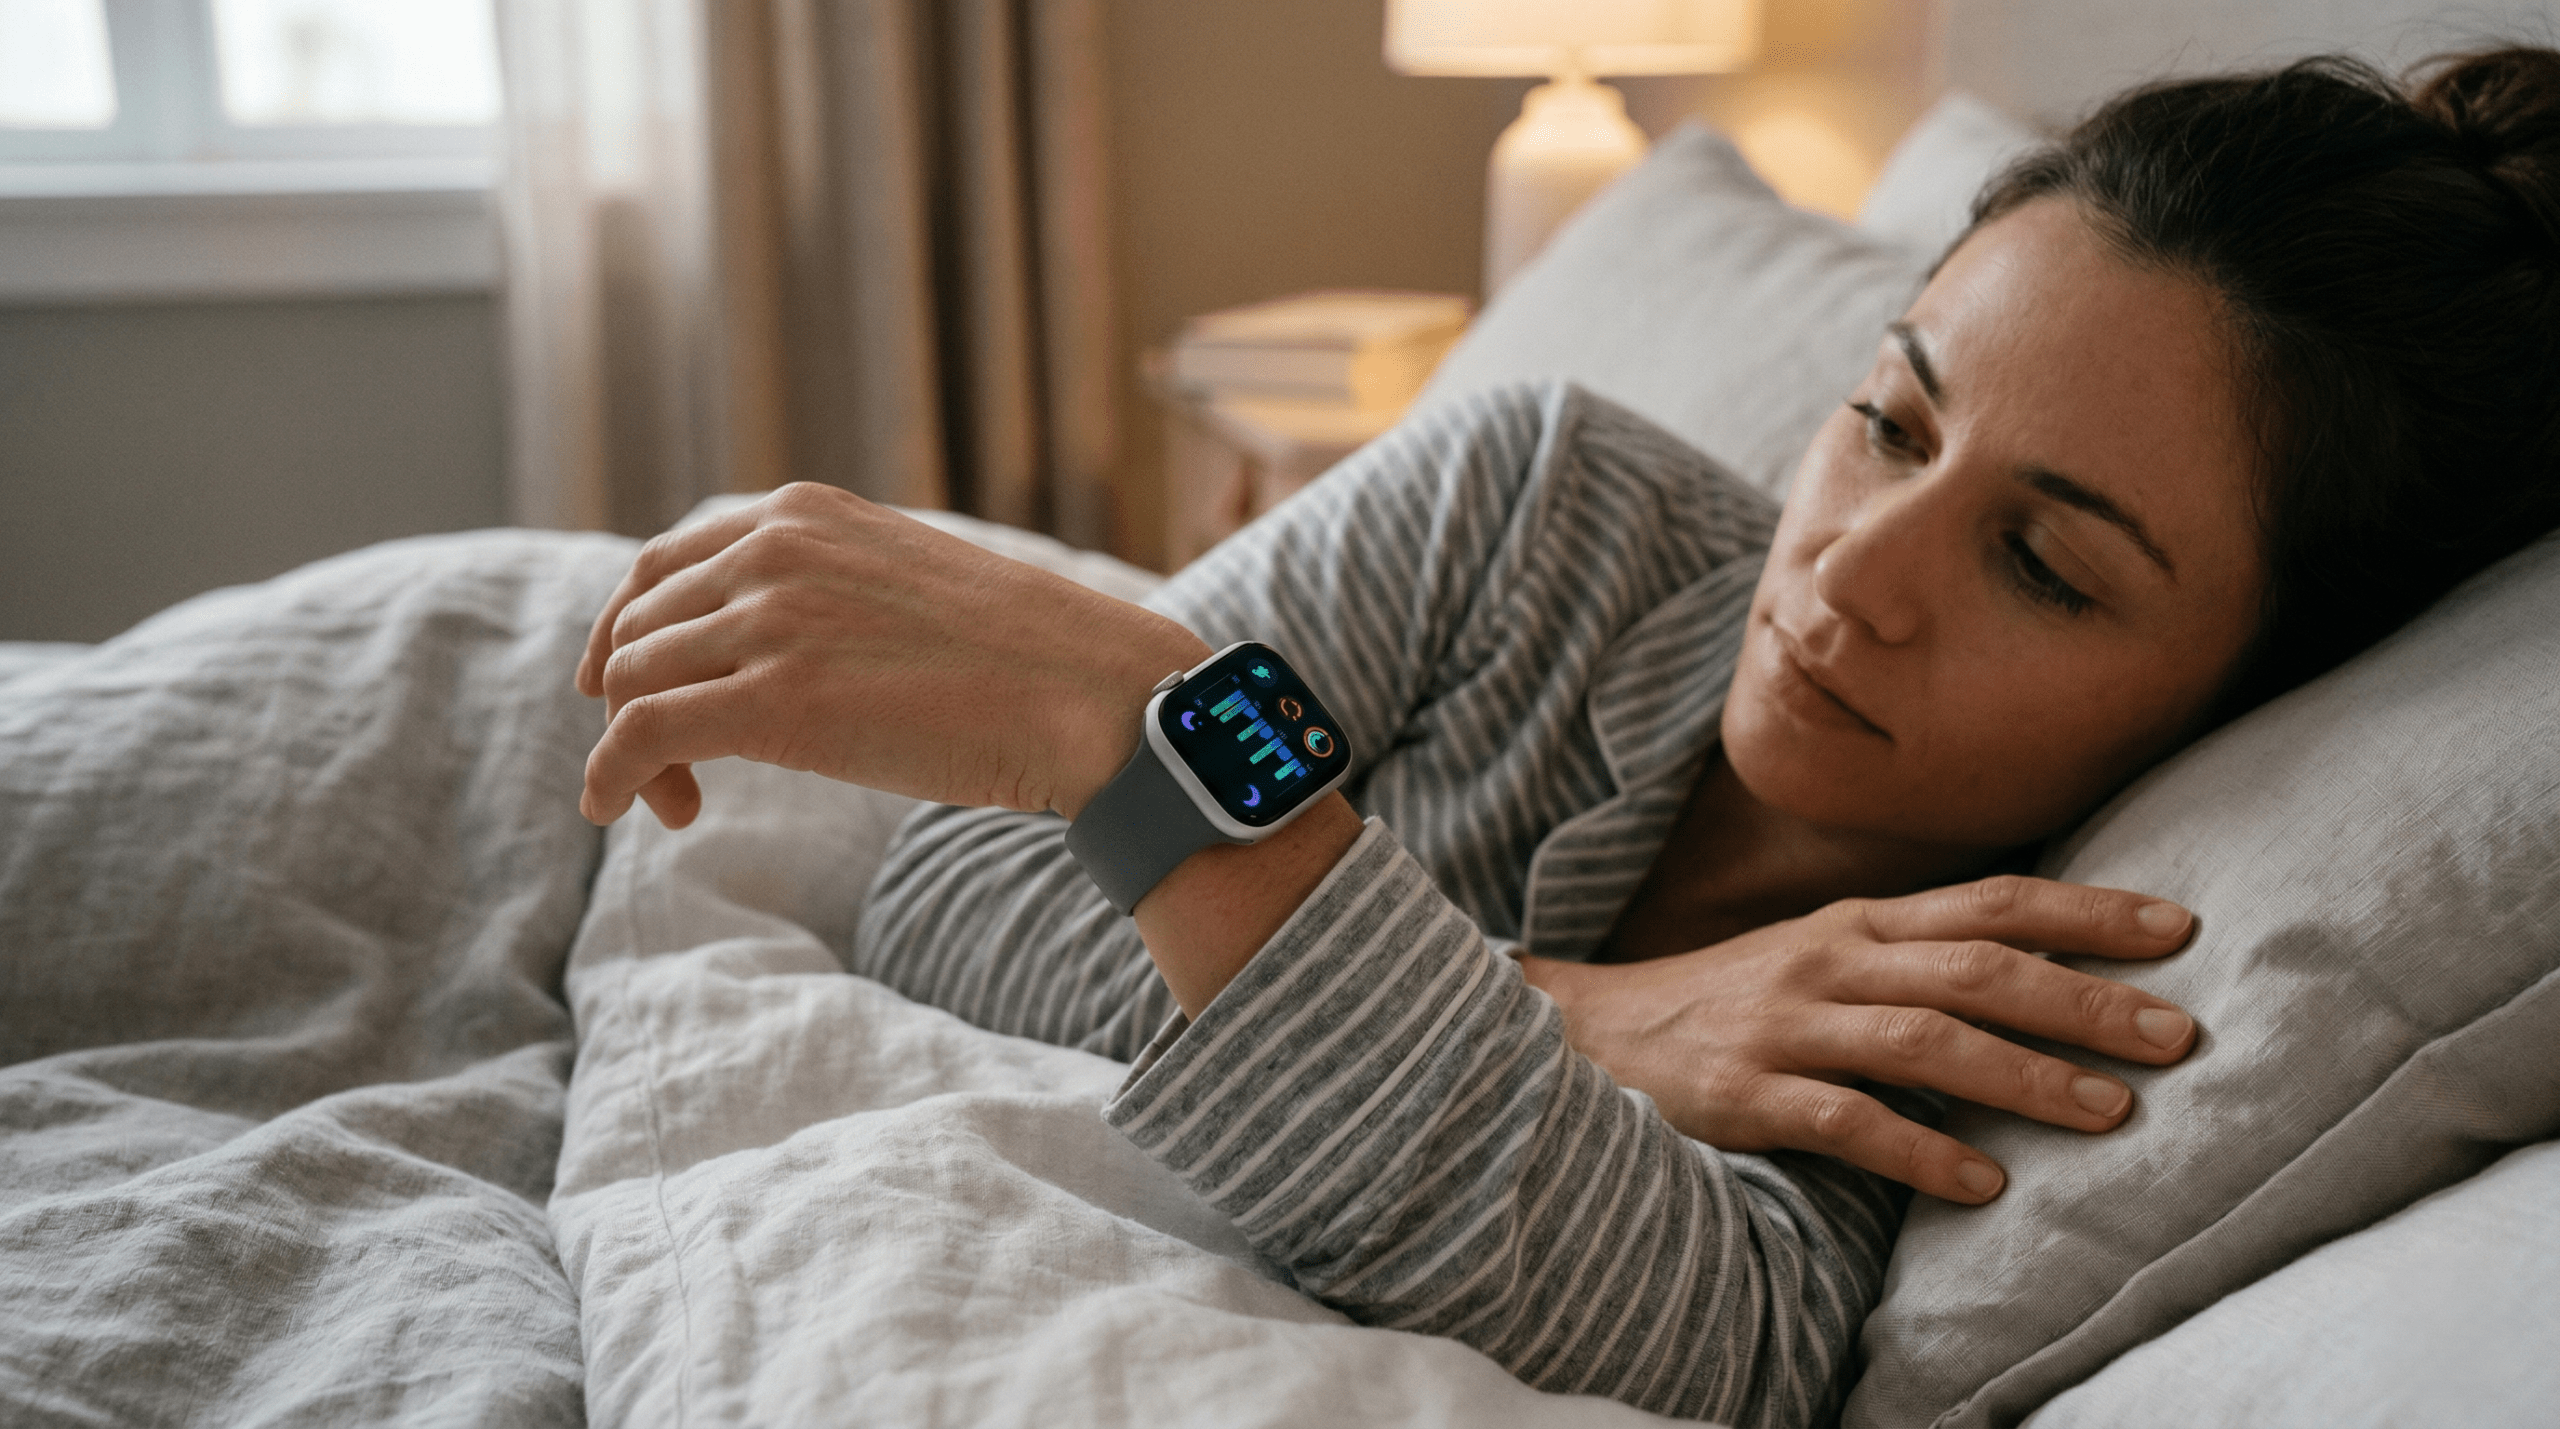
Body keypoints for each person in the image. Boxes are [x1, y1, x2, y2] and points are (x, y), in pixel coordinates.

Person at [570, 46, 2560, 1428]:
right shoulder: (1536, 505)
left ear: (2254, 685)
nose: (1853, 574)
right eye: (1886, 418)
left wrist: (1169, 757)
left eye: (2041, 565)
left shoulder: (2004, 984)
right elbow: (960, 887)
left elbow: (1713, 1345)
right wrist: (1579, 1012)